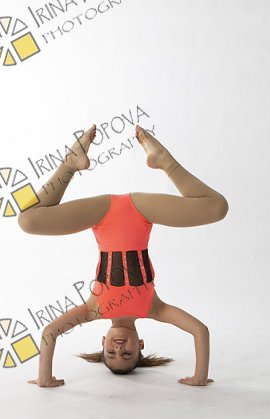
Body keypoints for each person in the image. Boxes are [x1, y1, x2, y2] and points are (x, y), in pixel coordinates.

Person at [18, 125, 229, 387]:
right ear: (141, 345)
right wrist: (199, 377)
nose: (119, 349)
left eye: (110, 353)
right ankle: (164, 161)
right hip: (142, 211)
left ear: (102, 342)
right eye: (128, 354)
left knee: (28, 221)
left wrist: (45, 379)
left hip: (100, 214)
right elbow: (200, 331)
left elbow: (50, 332)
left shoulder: (92, 310)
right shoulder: (155, 309)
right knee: (217, 207)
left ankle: (71, 163)